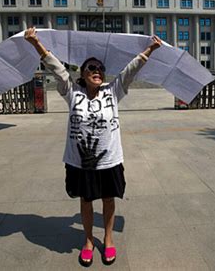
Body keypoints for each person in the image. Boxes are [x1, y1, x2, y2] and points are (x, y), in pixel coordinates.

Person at [24, 27, 161, 267]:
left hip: (109, 159)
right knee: (86, 201)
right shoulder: (72, 92)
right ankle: (88, 241)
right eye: (92, 68)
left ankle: (108, 239)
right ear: (83, 73)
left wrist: (150, 49)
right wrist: (36, 43)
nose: (97, 72)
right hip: (81, 161)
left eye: (100, 69)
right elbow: (56, 68)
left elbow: (130, 70)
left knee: (108, 199)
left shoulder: (113, 91)